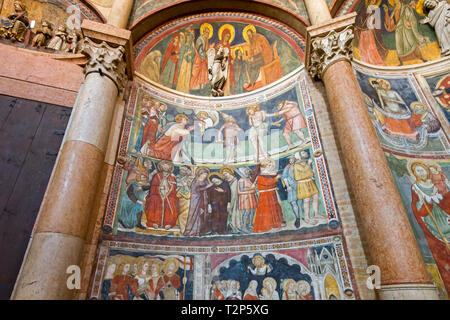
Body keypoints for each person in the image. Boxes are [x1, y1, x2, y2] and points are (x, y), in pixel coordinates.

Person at [409, 161, 450, 293]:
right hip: (432, 223)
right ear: (415, 174)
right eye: (418, 171)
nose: (421, 173)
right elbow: (416, 207)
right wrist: (421, 203)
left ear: (427, 170)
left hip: (446, 215)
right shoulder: (416, 187)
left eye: (422, 170)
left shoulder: (439, 183)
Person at [384, 0, 429, 65]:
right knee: (400, 47)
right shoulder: (394, 11)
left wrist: (409, 22)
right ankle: (401, 62)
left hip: (406, 29)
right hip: (398, 31)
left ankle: (421, 58)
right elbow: (391, 22)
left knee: (411, 43)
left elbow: (411, 17)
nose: (394, 1)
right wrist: (386, 12)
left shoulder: (405, 8)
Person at [145, 160, 178, 230]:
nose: (165, 168)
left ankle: (169, 222)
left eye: (167, 166)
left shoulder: (171, 177)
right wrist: (159, 187)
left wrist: (171, 186)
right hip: (157, 194)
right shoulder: (157, 176)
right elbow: (153, 186)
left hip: (169, 195)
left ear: (170, 168)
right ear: (161, 167)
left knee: (172, 201)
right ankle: (155, 222)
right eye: (164, 166)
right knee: (154, 200)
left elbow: (174, 188)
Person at [253, 159, 285, 233]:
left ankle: (277, 223)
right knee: (268, 210)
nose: (271, 167)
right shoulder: (260, 176)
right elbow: (267, 183)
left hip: (272, 194)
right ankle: (269, 226)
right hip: (265, 195)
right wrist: (276, 178)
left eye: (271, 165)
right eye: (269, 165)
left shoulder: (270, 174)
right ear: (264, 166)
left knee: (275, 208)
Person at [354, 0, 388, 65]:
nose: (373, 3)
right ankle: (365, 60)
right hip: (363, 31)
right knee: (364, 46)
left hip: (370, 31)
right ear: (369, 1)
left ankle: (373, 60)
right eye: (372, 1)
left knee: (371, 47)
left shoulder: (375, 10)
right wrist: (358, 27)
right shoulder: (364, 9)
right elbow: (361, 19)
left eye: (374, 2)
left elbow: (377, 23)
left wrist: (374, 26)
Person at [294, 150, 323, 225]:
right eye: (303, 153)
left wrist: (311, 172)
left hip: (310, 182)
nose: (305, 153)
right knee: (306, 200)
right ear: (299, 156)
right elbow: (298, 177)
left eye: (304, 152)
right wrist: (309, 164)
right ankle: (307, 218)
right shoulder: (296, 165)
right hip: (303, 184)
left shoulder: (304, 162)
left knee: (315, 197)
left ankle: (316, 214)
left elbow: (309, 173)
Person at [184, 168, 214, 236]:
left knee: (203, 214)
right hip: (196, 200)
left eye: (206, 175)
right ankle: (193, 231)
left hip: (203, 200)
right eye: (203, 174)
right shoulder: (196, 181)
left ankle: (201, 230)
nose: (204, 176)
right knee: (195, 214)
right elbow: (195, 190)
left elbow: (208, 190)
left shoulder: (206, 181)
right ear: (200, 174)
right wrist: (207, 187)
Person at [191, 24, 212, 92]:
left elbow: (207, 50)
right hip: (199, 59)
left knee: (204, 73)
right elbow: (200, 52)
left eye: (208, 33)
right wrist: (208, 51)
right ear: (203, 32)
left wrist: (210, 48)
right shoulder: (200, 40)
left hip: (204, 60)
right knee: (197, 73)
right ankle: (195, 87)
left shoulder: (206, 40)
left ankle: (202, 87)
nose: (207, 34)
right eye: (206, 32)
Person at [282, 156, 301, 228]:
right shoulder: (287, 167)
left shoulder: (299, 164)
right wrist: (288, 186)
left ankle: (306, 217)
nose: (291, 160)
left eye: (292, 159)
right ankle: (297, 218)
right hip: (292, 186)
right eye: (290, 159)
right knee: (293, 202)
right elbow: (284, 177)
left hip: (301, 184)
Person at [238, 167, 258, 233]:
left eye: (248, 171)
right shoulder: (241, 180)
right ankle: (244, 226)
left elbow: (253, 187)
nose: (248, 172)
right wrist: (251, 189)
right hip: (245, 197)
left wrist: (254, 187)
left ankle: (250, 224)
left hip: (251, 196)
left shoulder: (249, 179)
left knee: (253, 210)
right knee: (247, 211)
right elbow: (241, 189)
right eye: (247, 171)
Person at [221, 167, 240, 233]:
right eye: (224, 174)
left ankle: (233, 225)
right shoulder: (225, 180)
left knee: (233, 211)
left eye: (226, 173)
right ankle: (228, 225)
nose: (225, 175)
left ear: (229, 172)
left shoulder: (235, 180)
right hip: (226, 199)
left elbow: (234, 191)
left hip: (234, 199)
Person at [176, 166, 194, 234]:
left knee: (183, 216)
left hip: (188, 202)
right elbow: (178, 194)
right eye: (181, 170)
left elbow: (189, 195)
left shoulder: (190, 180)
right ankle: (184, 230)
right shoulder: (180, 178)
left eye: (185, 170)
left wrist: (185, 186)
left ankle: (185, 231)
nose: (183, 172)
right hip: (182, 202)